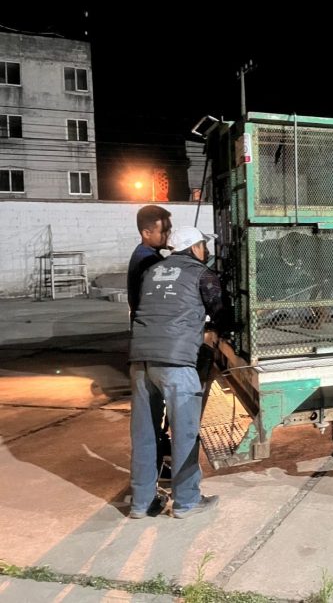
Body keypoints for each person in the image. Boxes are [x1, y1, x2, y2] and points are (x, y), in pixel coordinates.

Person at [128, 225, 228, 519]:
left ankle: (141, 502)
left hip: (140, 361)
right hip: (176, 363)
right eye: (203, 246)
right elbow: (221, 312)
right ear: (195, 248)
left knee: (144, 434)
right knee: (183, 434)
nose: (206, 251)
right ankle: (186, 501)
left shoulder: (151, 271)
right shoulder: (202, 274)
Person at [127, 205, 173, 480]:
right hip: (150, 346)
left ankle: (157, 468)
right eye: (163, 230)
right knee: (151, 414)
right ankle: (152, 474)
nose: (168, 234)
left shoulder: (146, 256)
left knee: (153, 413)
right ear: (146, 233)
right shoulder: (148, 263)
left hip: (146, 343)